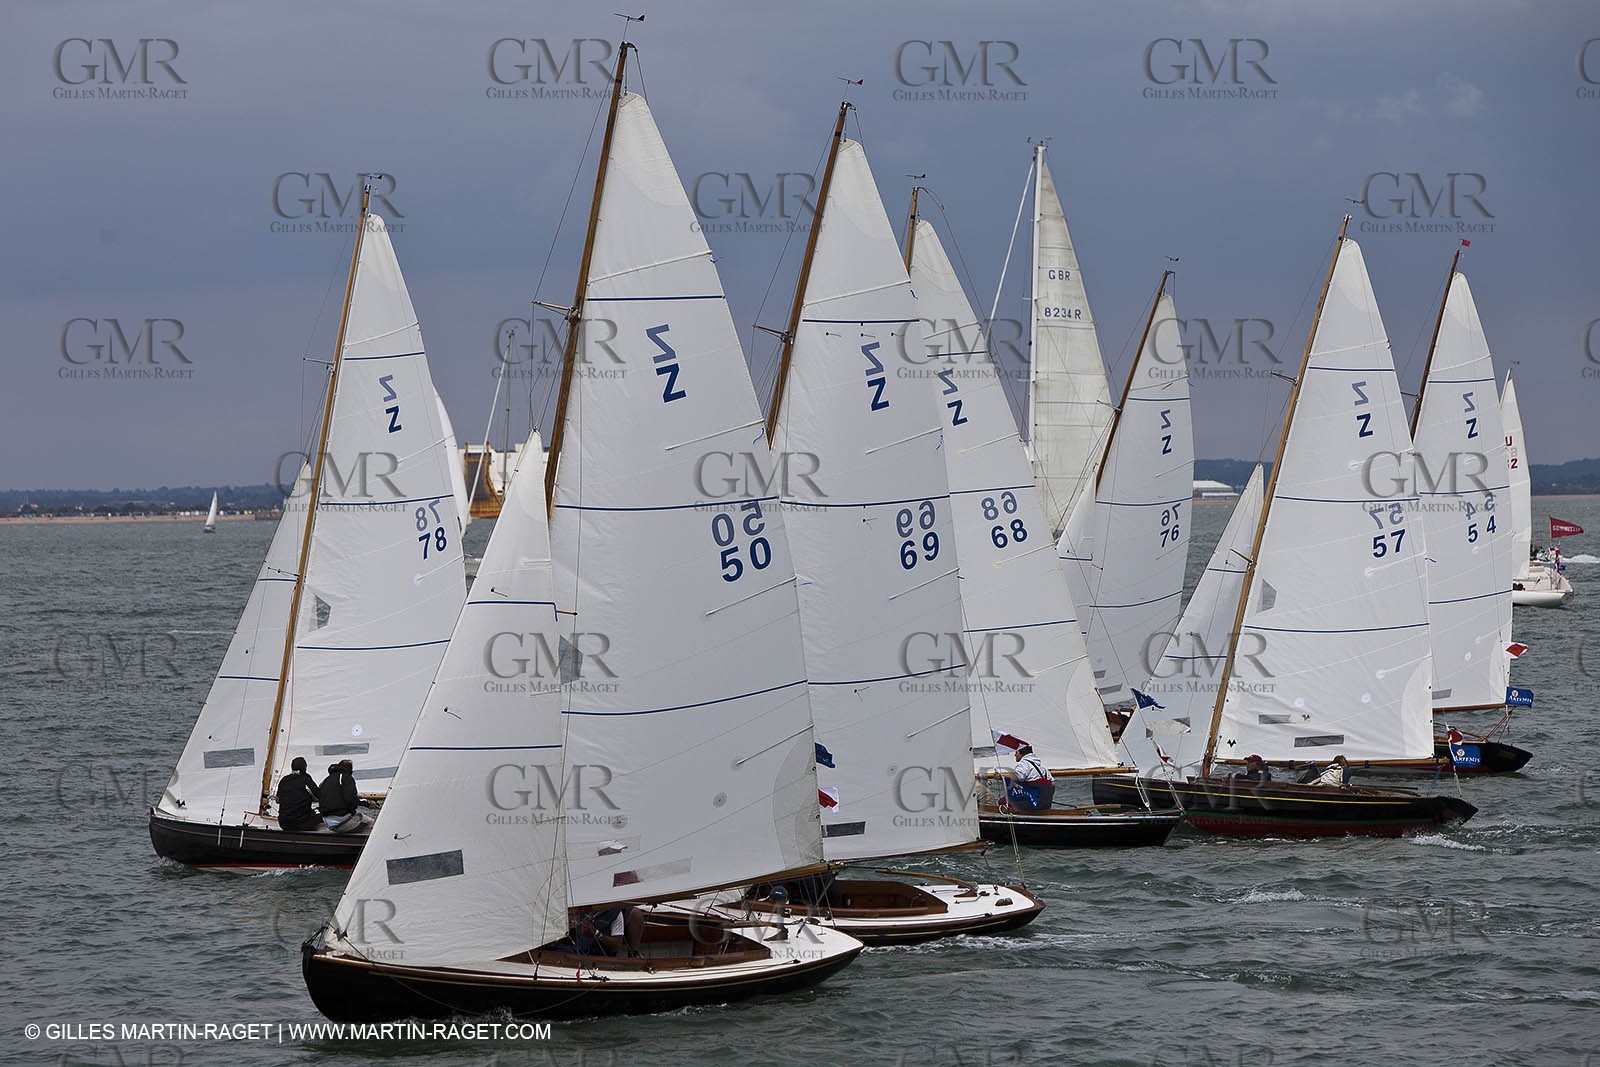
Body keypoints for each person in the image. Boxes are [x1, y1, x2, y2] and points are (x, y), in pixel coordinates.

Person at [1004, 743, 1056, 812]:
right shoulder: (1042, 766)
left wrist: (1001, 776)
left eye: (1016, 752)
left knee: (1002, 802)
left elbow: (1018, 777)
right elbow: (1052, 783)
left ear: (1020, 753)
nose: (1015, 755)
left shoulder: (1023, 764)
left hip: (1031, 804)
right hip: (1044, 804)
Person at [275, 756, 321, 831]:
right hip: (301, 823)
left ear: (292, 767)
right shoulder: (306, 779)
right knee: (321, 816)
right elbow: (319, 795)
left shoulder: (284, 780)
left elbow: (278, 800)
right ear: (305, 768)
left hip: (283, 823)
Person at [318, 759, 364, 833]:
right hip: (341, 821)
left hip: (327, 821)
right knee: (371, 823)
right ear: (350, 769)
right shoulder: (347, 778)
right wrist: (367, 804)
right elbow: (350, 798)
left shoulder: (326, 780)